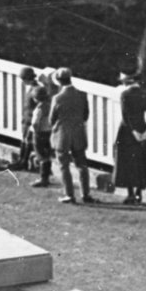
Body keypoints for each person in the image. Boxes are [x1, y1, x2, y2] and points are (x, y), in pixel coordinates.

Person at [113, 66, 146, 205]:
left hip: (127, 131)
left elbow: (126, 116)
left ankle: (131, 193)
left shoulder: (125, 95)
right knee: (141, 161)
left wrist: (134, 132)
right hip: (142, 127)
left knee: (126, 161)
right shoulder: (144, 93)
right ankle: (139, 192)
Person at [48, 67, 92, 204]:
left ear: (58, 81)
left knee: (64, 166)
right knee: (82, 165)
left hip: (62, 135)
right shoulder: (82, 95)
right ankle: (85, 194)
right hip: (78, 133)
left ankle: (69, 194)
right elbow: (86, 115)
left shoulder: (57, 98)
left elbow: (51, 119)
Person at [25, 66, 55, 187]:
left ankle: (43, 178)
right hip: (49, 132)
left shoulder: (39, 108)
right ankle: (46, 176)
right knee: (47, 155)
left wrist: (33, 131)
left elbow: (35, 122)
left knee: (41, 155)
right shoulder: (50, 105)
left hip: (39, 133)